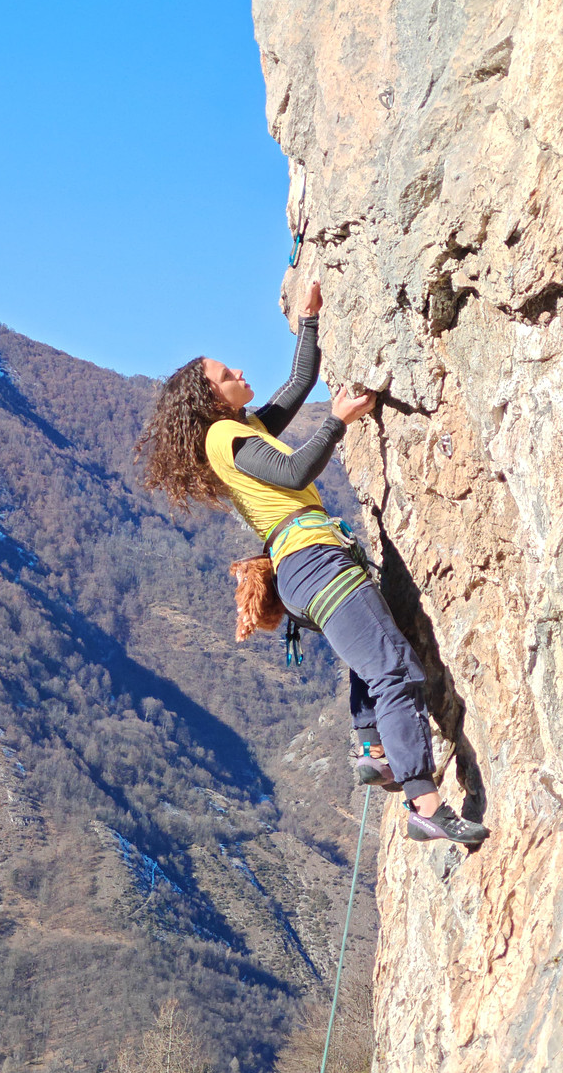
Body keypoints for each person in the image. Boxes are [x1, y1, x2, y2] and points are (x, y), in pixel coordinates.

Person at [135, 280, 488, 846]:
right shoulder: (224, 437)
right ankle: (424, 804)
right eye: (226, 375)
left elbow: (298, 383)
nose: (238, 372)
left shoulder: (243, 428)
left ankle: (373, 747)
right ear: (211, 398)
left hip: (304, 570)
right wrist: (338, 421)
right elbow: (295, 472)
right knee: (394, 671)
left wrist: (309, 321)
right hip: (314, 561)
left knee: (370, 655)